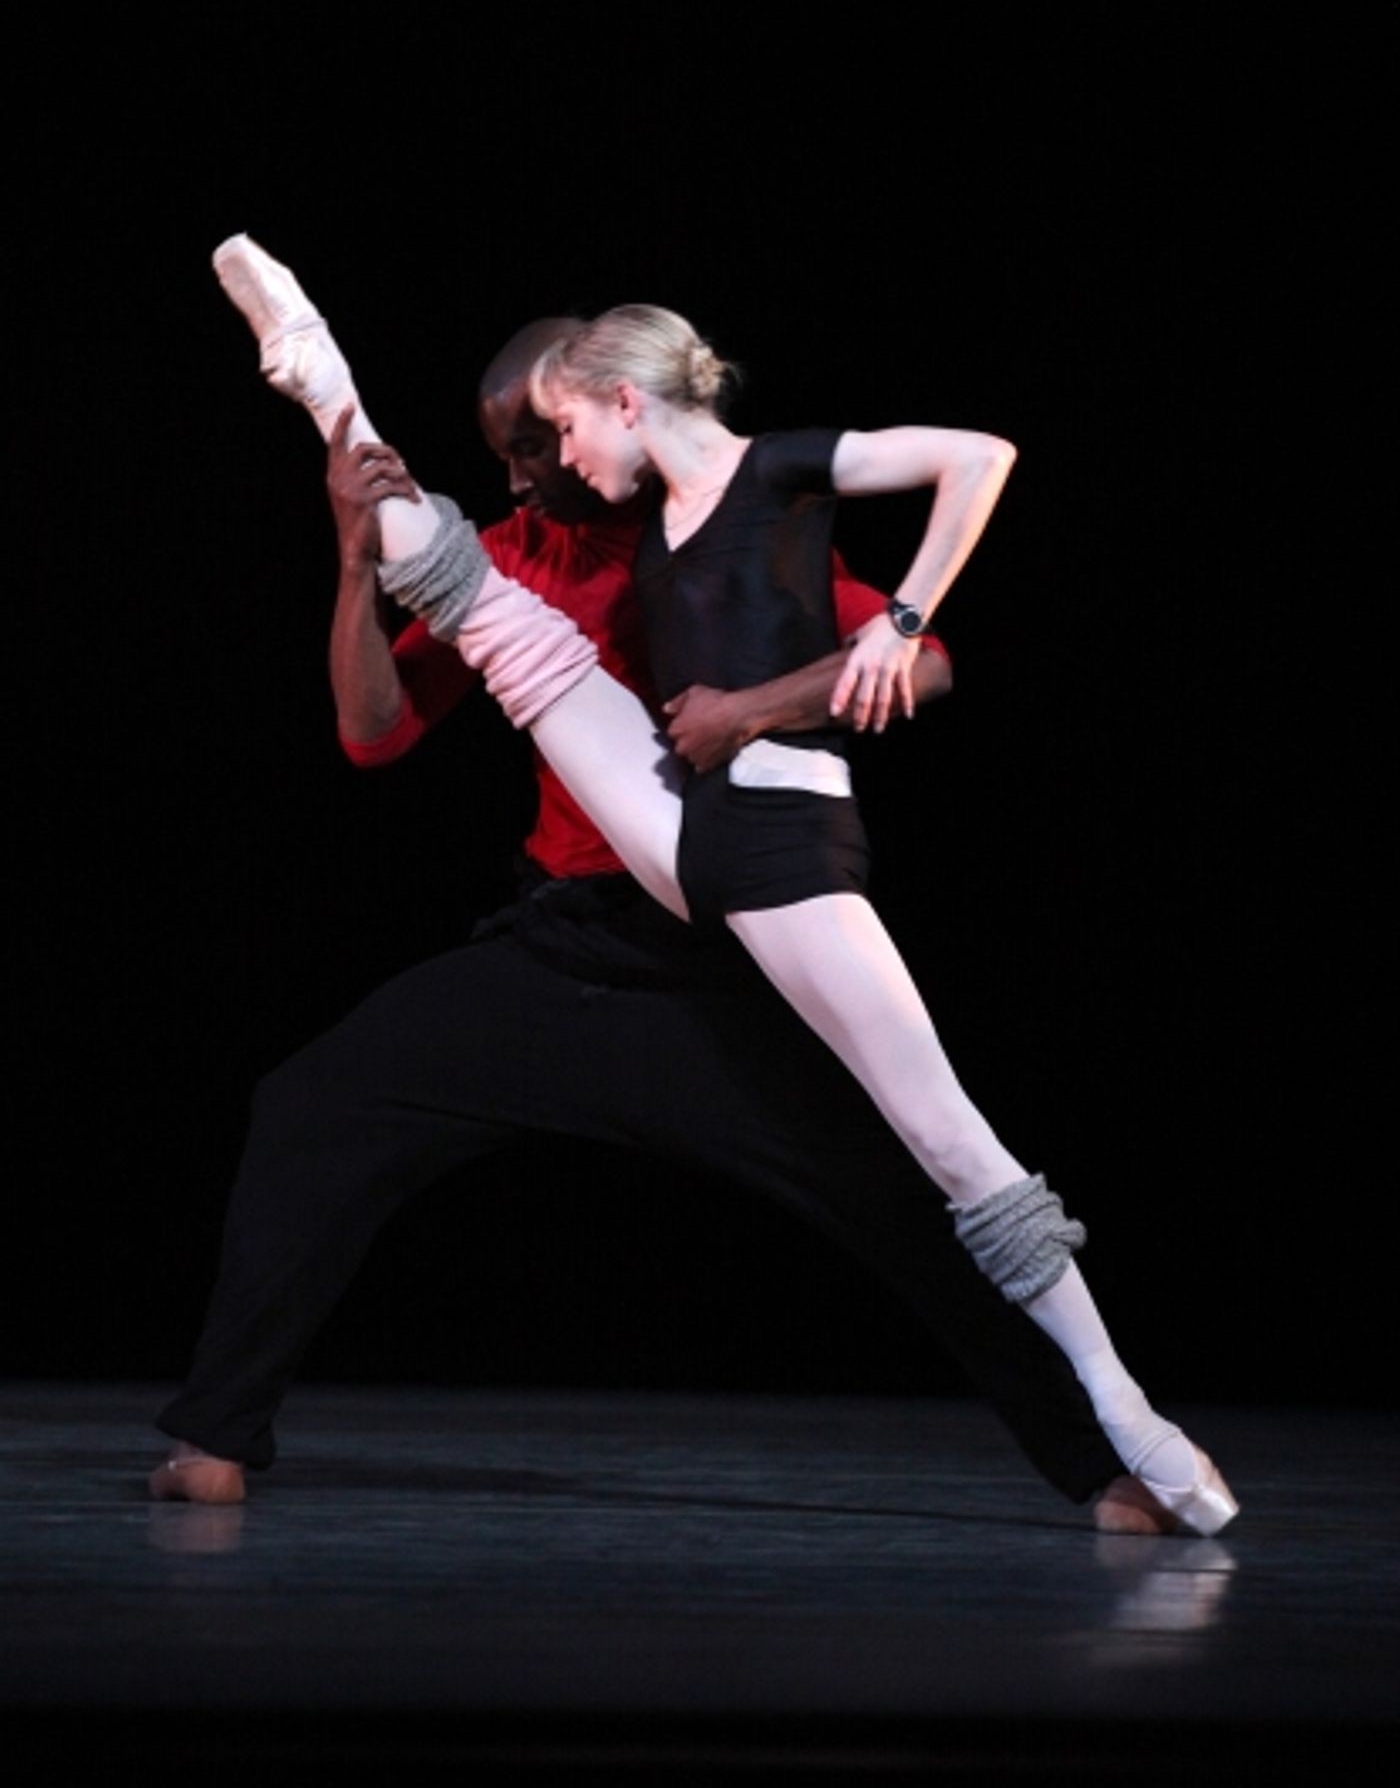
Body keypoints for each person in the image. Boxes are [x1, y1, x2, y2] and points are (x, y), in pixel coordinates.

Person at [151, 234, 1222, 1536]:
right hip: (565, 946)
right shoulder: (510, 553)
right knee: (315, 1104)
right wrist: (348, 551)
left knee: (909, 1187)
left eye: (535, 444)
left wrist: (753, 706)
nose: (524, 473)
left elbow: (920, 660)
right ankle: (214, 1437)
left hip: (722, 956)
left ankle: (1104, 1462)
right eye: (504, 452)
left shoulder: (718, 528)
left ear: (602, 407)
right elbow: (372, 733)